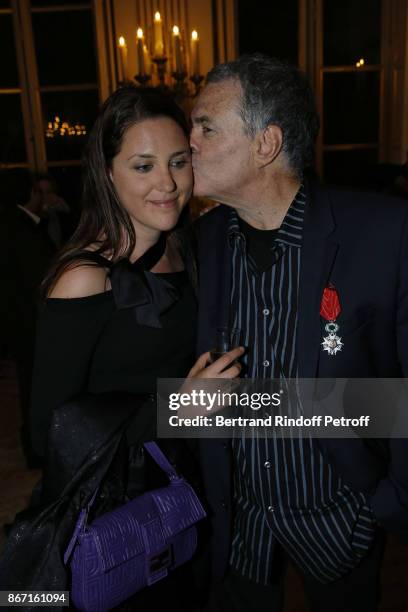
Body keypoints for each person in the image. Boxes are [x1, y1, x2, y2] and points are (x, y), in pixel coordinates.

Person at [1, 86, 242, 609]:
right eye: (143, 166)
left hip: (188, 489)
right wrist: (177, 408)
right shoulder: (84, 279)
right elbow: (48, 432)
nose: (168, 183)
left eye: (179, 162)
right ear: (106, 173)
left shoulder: (181, 245)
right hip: (119, 515)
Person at [190, 54, 408, 612]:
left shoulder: (384, 233)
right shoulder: (200, 241)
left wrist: (388, 502)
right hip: (239, 527)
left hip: (341, 522)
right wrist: (186, 409)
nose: (188, 141)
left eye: (205, 126)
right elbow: (182, 397)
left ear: (266, 144)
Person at [0, 177, 56, 468]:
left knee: (30, 386)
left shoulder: (20, 224)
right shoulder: (22, 230)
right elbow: (40, 280)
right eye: (45, 191)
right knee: (34, 389)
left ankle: (36, 449)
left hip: (19, 322)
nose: (50, 197)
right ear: (33, 193)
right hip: (29, 323)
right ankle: (37, 451)